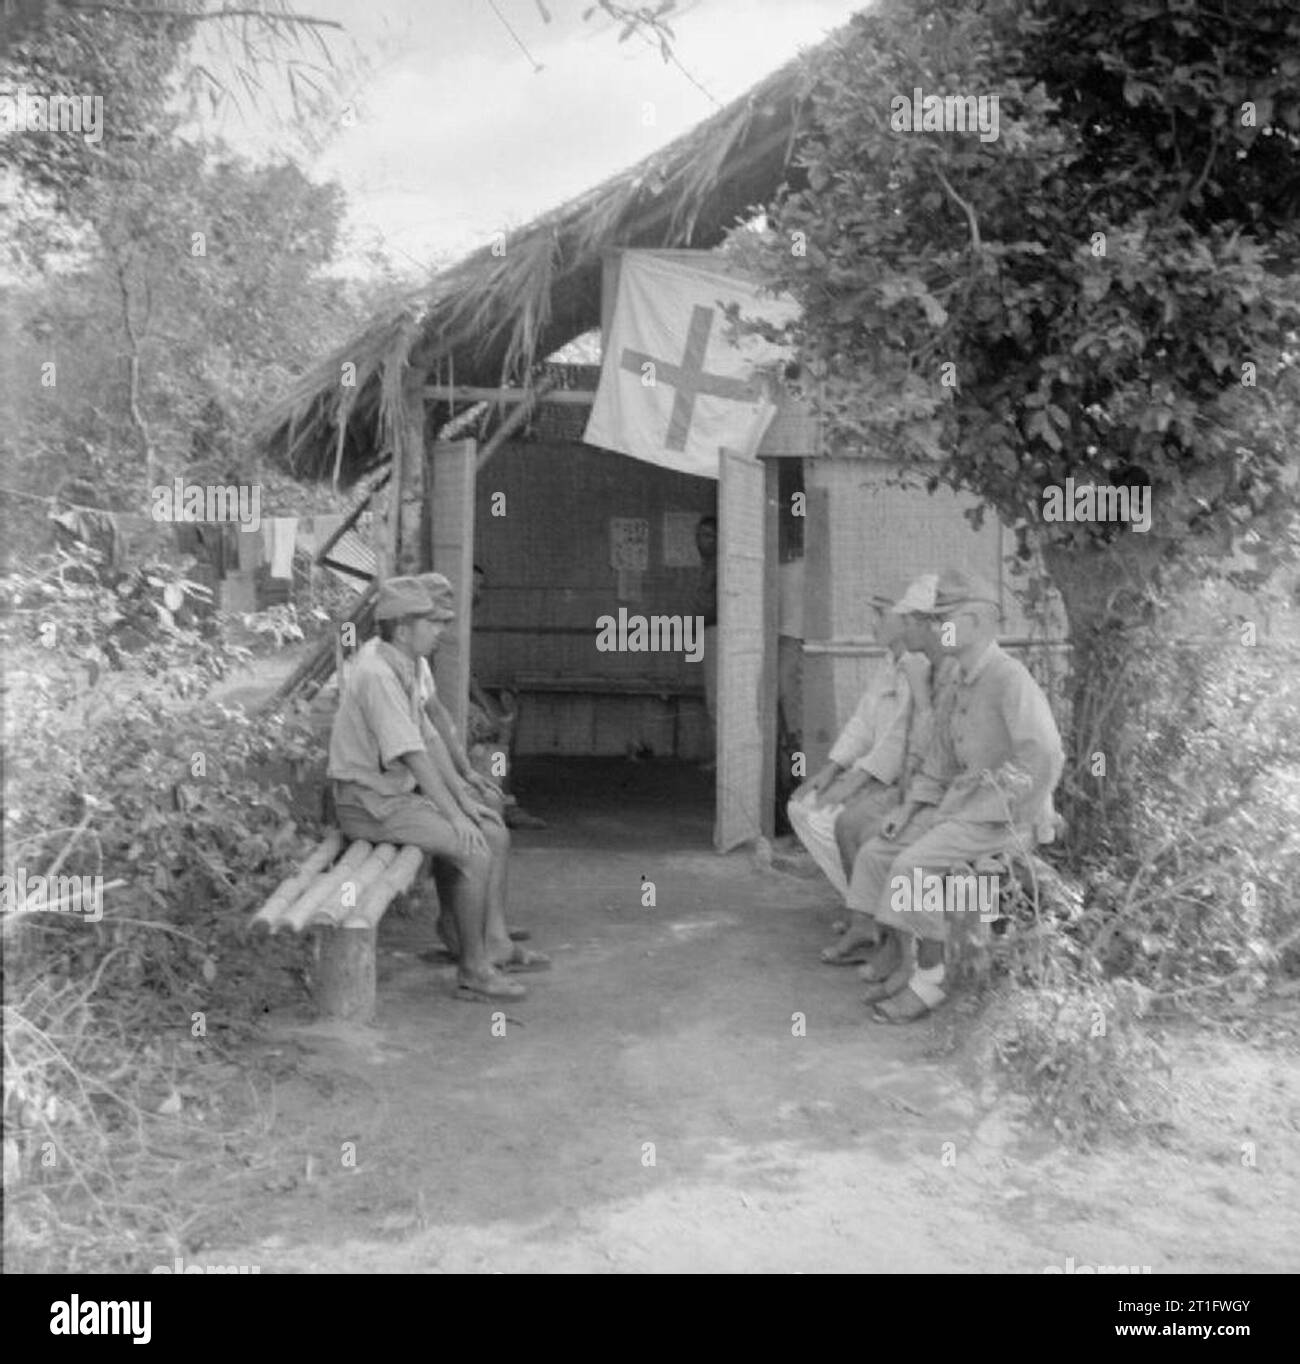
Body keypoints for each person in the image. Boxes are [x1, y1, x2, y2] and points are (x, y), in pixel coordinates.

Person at [847, 568, 1064, 1024]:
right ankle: (905, 963)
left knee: (912, 867)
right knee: (883, 852)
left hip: (1001, 816)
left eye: (950, 616)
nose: (940, 625)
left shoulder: (1009, 678)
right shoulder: (962, 678)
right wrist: (908, 809)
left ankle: (930, 984)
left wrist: (1004, 810)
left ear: (980, 622)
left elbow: (1044, 753)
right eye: (938, 616)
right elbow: (940, 761)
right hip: (963, 808)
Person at [327, 577, 537, 1001]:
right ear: (404, 629)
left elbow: (432, 739)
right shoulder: (378, 673)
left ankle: (483, 942)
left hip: (391, 797)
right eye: (431, 622)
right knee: (473, 845)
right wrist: (457, 816)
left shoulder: (401, 663)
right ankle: (474, 970)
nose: (441, 630)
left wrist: (462, 796)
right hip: (367, 804)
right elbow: (412, 756)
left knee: (490, 829)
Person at [464, 564, 547, 830]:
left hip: (453, 694)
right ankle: (505, 803)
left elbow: (469, 679)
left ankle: (503, 798)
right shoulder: (450, 618)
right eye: (474, 586)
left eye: (481, 587)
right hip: (441, 700)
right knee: (500, 732)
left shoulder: (463, 617)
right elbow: (465, 680)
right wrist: (494, 715)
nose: (479, 593)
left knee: (502, 725)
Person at [693, 515, 718, 771]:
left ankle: (723, 756)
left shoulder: (719, 565)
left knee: (717, 697)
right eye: (700, 535)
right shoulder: (707, 564)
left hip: (717, 629)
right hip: (708, 628)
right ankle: (720, 754)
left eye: (709, 536)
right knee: (713, 697)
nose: (702, 541)